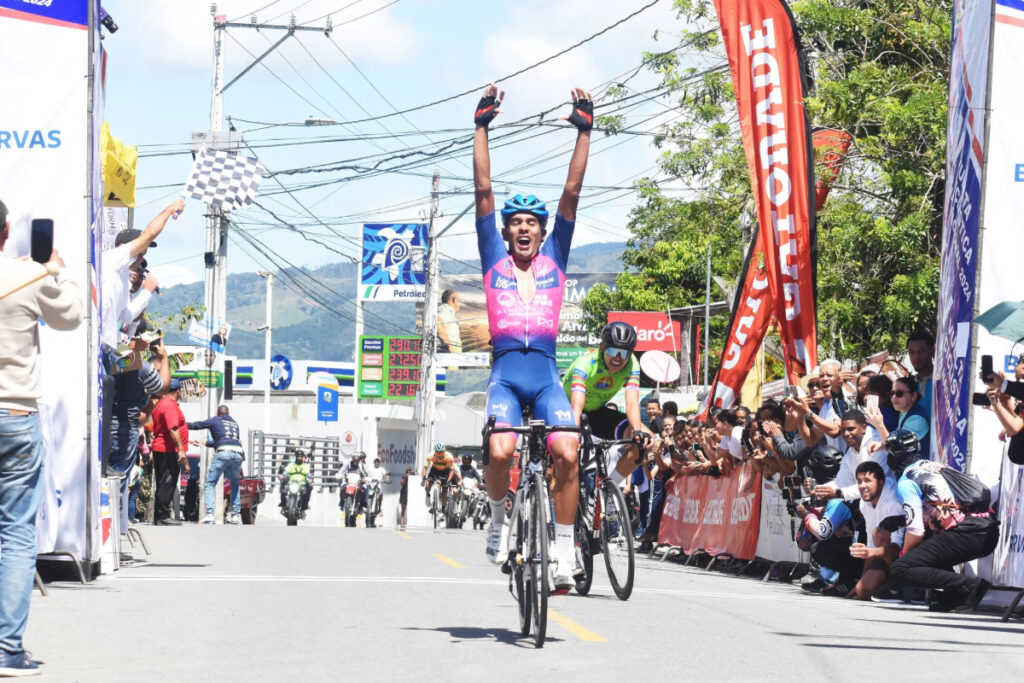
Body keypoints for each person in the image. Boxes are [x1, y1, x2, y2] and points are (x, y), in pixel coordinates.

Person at [473, 82, 593, 590]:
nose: (523, 229)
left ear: (543, 233)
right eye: (515, 223)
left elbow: (571, 194)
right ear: (504, 233)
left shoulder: (555, 259)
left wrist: (584, 131)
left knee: (567, 451)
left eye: (531, 223)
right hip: (505, 373)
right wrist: (480, 127)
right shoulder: (493, 258)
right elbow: (483, 192)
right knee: (500, 451)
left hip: (545, 374)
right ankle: (499, 522)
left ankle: (564, 551)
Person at [0, 199, 83, 675]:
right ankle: (7, 648)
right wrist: (58, 271)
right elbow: (71, 317)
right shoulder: (26, 275)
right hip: (14, 414)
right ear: (6, 229)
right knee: (14, 534)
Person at [888, 430, 997, 611]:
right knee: (928, 546)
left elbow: (915, 531)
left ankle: (968, 586)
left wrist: (905, 555)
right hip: (987, 531)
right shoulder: (935, 466)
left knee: (901, 568)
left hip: (967, 533)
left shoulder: (907, 481)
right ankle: (954, 594)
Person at [562, 321, 651, 483]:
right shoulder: (586, 364)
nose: (618, 358)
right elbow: (577, 406)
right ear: (602, 347)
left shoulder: (632, 365)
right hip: (567, 410)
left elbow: (632, 403)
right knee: (565, 458)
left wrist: (637, 432)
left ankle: (608, 488)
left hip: (596, 413)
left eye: (624, 353)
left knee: (643, 443)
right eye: (613, 350)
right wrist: (573, 436)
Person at [848, 461, 905, 600]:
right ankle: (886, 588)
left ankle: (902, 586)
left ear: (880, 482)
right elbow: (870, 543)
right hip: (883, 554)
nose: (862, 486)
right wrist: (860, 583)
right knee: (863, 590)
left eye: (867, 481)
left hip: (904, 557)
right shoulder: (864, 502)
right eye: (859, 481)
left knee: (880, 534)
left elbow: (896, 547)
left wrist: (870, 552)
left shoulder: (893, 502)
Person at [189, 405, 245, 525]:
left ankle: (210, 514)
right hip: (238, 454)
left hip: (223, 454)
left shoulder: (215, 419)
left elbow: (197, 425)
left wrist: (182, 424)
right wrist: (203, 443)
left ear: (218, 413)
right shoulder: (234, 423)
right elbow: (224, 440)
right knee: (235, 484)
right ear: (228, 413)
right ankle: (235, 515)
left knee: (210, 483)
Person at [150, 379, 189, 525]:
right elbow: (173, 428)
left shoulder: (162, 403)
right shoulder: (170, 406)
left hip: (162, 448)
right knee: (167, 482)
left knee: (163, 482)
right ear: (178, 391)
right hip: (167, 449)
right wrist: (180, 449)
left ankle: (160, 515)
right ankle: (163, 516)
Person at [422, 443, 456, 511]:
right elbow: (425, 467)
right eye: (437, 452)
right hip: (434, 470)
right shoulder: (431, 456)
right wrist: (423, 479)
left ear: (444, 451)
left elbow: (452, 470)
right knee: (428, 484)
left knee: (445, 489)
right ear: (435, 452)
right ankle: (428, 494)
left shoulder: (449, 456)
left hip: (445, 471)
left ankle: (443, 508)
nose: (439, 454)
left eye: (441, 452)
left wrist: (448, 480)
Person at [906, 331, 934, 413]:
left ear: (932, 352)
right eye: (912, 352)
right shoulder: (909, 385)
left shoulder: (942, 381)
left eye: (921, 351)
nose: (916, 356)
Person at [437, 289, 462, 353]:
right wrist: (450, 347)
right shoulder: (445, 309)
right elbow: (438, 324)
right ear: (454, 300)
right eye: (458, 301)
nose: (459, 303)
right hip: (448, 356)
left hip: (450, 356)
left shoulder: (448, 311)